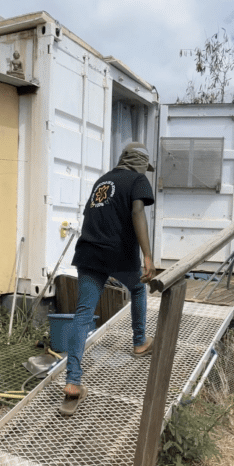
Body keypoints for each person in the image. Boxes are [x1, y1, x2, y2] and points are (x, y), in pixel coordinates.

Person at [60, 142, 156, 416]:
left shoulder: (102, 181)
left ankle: (72, 382)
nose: (145, 173)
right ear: (140, 163)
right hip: (118, 253)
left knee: (82, 314)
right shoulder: (137, 180)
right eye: (145, 168)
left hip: (89, 252)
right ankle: (139, 342)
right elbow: (137, 212)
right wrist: (147, 256)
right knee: (138, 289)